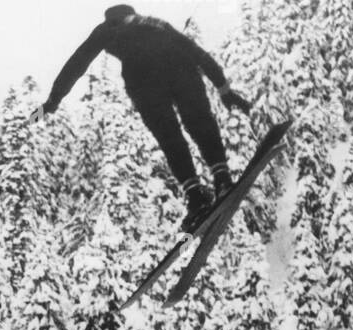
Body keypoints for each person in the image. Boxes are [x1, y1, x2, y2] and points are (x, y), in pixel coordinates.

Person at [34, 4, 253, 231]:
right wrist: (224, 89)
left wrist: (53, 101)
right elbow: (197, 53)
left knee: (170, 139)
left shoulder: (108, 27)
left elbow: (78, 62)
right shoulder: (156, 22)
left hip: (143, 80)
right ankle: (222, 177)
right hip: (182, 68)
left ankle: (195, 195)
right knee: (199, 121)